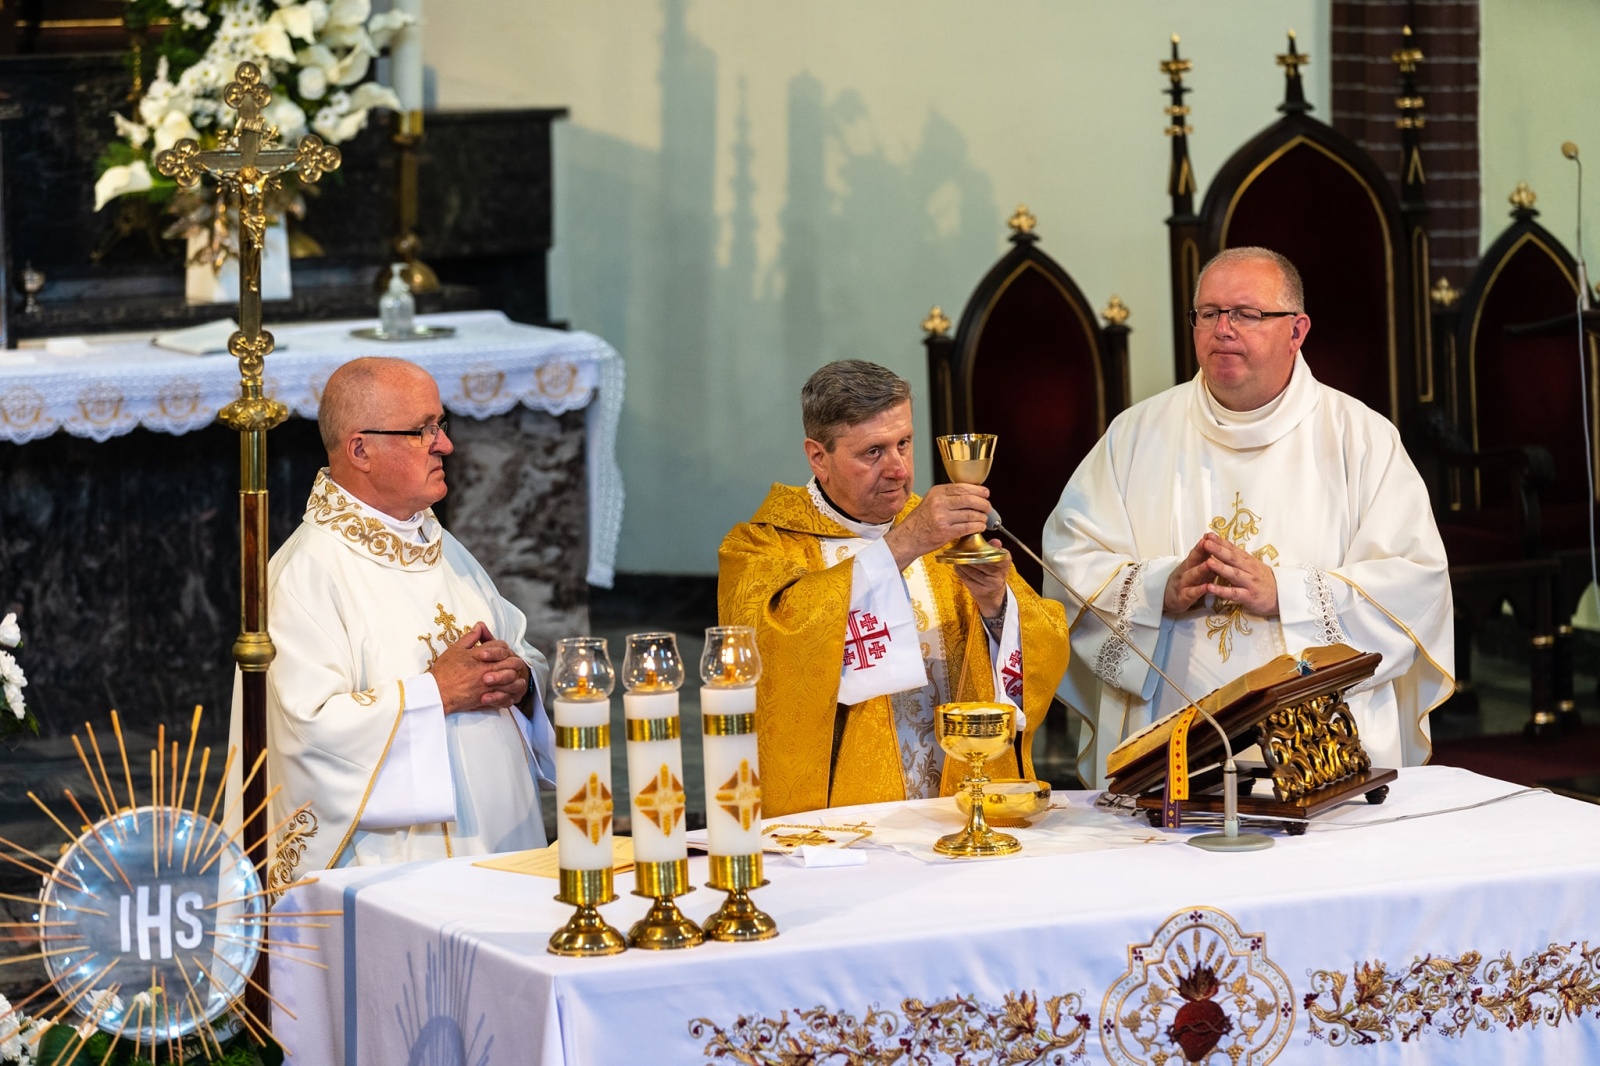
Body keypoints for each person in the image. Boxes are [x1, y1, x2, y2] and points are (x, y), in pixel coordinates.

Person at [1042, 247, 1454, 787]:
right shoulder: (1136, 435)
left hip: (1317, 749)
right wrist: (1158, 588)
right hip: (1167, 748)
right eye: (1208, 314)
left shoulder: (1361, 438)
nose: (1223, 330)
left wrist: (1285, 593)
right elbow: (1069, 559)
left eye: (1247, 314)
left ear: (1297, 330)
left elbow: (1416, 582)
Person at [228, 356, 556, 887]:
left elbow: (520, 649)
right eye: (422, 430)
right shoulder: (304, 574)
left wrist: (520, 680)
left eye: (440, 426)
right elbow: (305, 732)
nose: (444, 444)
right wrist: (435, 694)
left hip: (502, 848)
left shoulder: (441, 547)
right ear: (361, 449)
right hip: (394, 876)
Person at [718, 360, 1070, 817]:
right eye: (873, 452)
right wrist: (901, 546)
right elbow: (772, 649)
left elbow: (1046, 644)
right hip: (845, 821)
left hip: (959, 805)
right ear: (818, 456)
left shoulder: (944, 530)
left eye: (904, 443)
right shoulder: (760, 545)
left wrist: (996, 605)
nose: (899, 469)